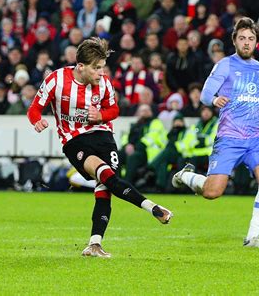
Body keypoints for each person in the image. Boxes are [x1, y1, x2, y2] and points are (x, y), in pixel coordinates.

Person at [27, 37, 173, 258]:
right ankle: (152, 207)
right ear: (81, 66)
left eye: (103, 68)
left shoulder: (103, 83)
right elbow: (34, 109)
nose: (101, 74)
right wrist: (37, 120)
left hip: (104, 136)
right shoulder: (56, 80)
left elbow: (114, 111)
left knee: (106, 186)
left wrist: (101, 115)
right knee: (105, 176)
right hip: (74, 139)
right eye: (96, 68)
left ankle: (95, 244)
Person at [171, 17, 259, 248]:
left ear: (257, 42)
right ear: (235, 41)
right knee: (212, 192)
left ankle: (252, 237)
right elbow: (204, 95)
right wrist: (214, 99)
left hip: (255, 137)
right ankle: (186, 176)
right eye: (242, 38)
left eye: (251, 39)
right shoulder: (225, 65)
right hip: (229, 139)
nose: (246, 43)